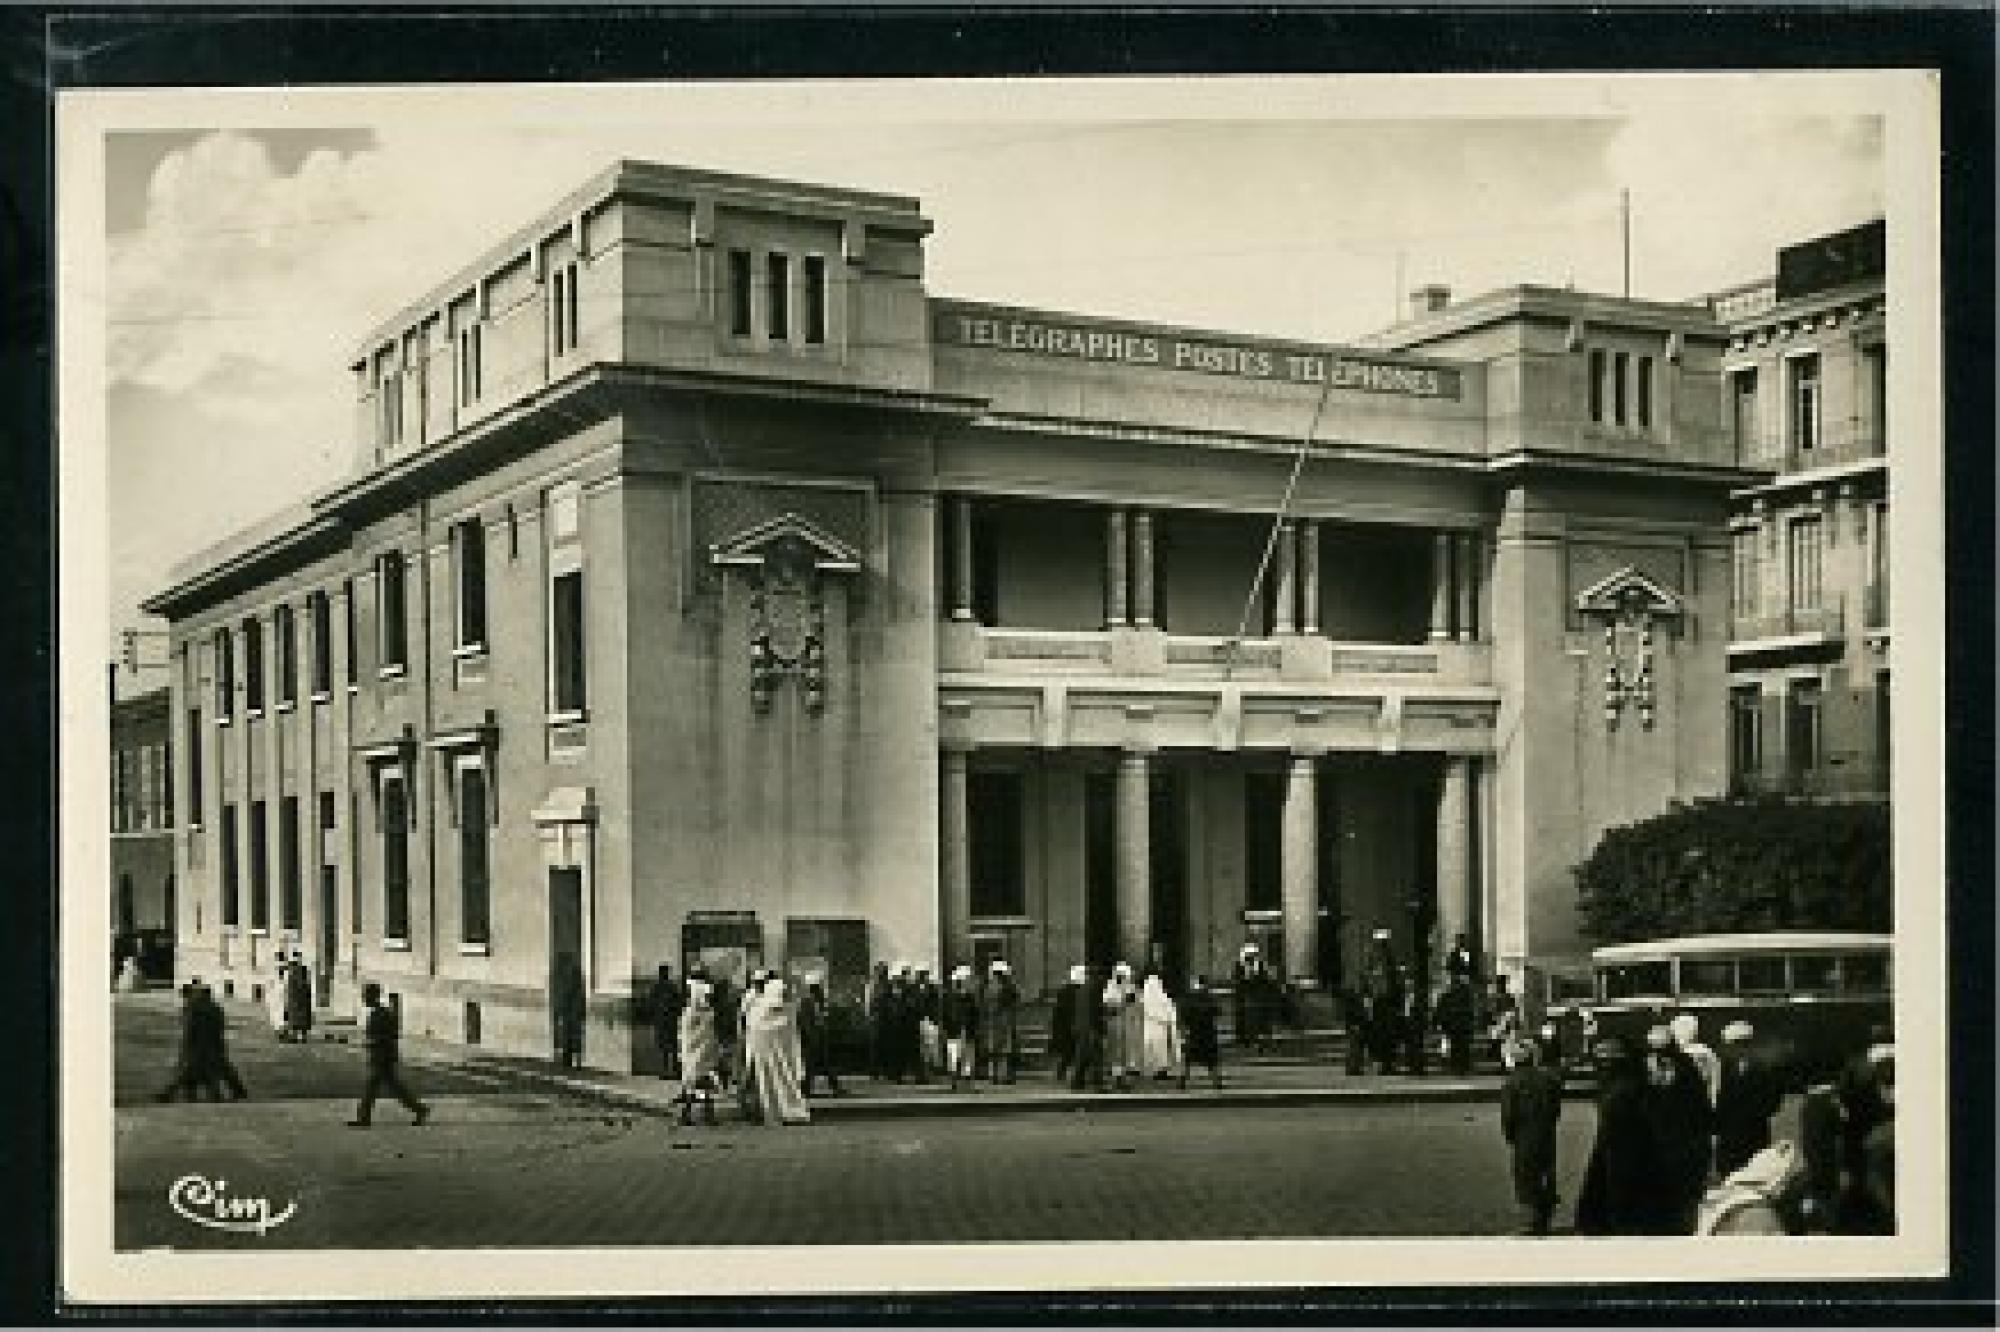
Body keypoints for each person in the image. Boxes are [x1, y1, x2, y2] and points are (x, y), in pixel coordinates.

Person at [1575, 1036, 1658, 1235]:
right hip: (1616, 1146)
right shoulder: (1627, 1082)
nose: (1601, 1066)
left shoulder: (1622, 1087)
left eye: (1605, 1061)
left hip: (1622, 1148)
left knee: (1619, 1193)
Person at [1641, 1024, 1715, 1233]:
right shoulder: (1648, 1070)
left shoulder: (1685, 1069)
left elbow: (1699, 1110)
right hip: (1662, 1146)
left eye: (1663, 1051)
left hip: (1683, 1146)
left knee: (1683, 1202)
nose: (1660, 1056)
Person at [1499, 1034, 1564, 1235]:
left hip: (1524, 1135)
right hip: (1546, 1133)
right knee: (1545, 1173)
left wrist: (1510, 1134)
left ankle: (1530, 1222)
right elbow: (1555, 1110)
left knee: (1526, 1177)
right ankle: (1545, 1216)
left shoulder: (1512, 1083)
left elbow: (1509, 1115)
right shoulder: (1549, 1079)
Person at [349, 983, 428, 1127]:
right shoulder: (380, 1012)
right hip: (382, 1055)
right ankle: (419, 1109)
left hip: (383, 1056)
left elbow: (389, 1035)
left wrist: (372, 1042)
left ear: (373, 996)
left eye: (366, 995)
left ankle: (364, 1118)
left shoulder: (381, 1014)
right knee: (393, 1087)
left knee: (372, 1087)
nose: (363, 998)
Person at [1712, 1021, 1784, 1177]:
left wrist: (1751, 1116)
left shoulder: (1764, 1070)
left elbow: (1772, 1102)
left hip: (1754, 1138)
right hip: (1729, 1142)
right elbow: (1720, 1102)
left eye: (1733, 1046)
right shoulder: (1724, 1069)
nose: (1729, 1050)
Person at [1696, 1141, 1807, 1236]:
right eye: (1795, 1183)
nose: (1798, 1193)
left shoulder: (1722, 1204)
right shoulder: (1758, 1215)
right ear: (1781, 1181)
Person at [741, 976, 811, 1126]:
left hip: (776, 1056)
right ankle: (775, 1111)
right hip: (770, 1056)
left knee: (776, 1084)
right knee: (770, 1085)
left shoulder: (778, 1010)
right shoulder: (763, 1009)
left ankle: (783, 1111)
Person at [675, 977, 722, 1126]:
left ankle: (689, 1114)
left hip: (695, 1053)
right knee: (704, 1085)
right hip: (703, 1053)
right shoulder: (708, 1013)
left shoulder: (690, 1013)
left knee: (693, 1085)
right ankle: (705, 1114)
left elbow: (684, 1033)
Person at [798, 976, 843, 1097]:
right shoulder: (808, 1002)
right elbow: (807, 1022)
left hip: (818, 1035)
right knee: (813, 1065)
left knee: (821, 1064)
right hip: (814, 1037)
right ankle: (807, 1088)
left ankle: (831, 1086)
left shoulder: (816, 1001)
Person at [1178, 974, 1222, 1090]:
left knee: (1188, 1058)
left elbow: (1184, 1014)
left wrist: (1184, 1029)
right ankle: (1216, 1081)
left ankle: (1183, 1080)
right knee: (1211, 1059)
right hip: (1208, 1032)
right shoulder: (1210, 997)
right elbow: (1217, 1012)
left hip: (1194, 1031)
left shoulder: (1190, 998)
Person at [941, 965, 981, 1090]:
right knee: (954, 1056)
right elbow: (946, 1015)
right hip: (955, 1031)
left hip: (966, 1031)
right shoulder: (950, 998)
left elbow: (974, 1016)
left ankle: (965, 1081)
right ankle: (955, 1081)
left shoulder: (969, 999)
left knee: (966, 1057)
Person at [980, 961, 1020, 1083]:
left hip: (992, 1021)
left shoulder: (988, 987)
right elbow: (1015, 998)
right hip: (1004, 1020)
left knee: (994, 1050)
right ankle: (1003, 1075)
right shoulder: (1007, 987)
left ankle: (993, 1074)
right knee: (1004, 1050)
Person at [1102, 963, 1140, 1091]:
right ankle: (1116, 1077)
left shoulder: (1130, 987)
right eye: (1120, 976)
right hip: (1115, 1022)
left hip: (1127, 1023)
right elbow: (1108, 1003)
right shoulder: (1110, 987)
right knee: (1115, 1051)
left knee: (1126, 1051)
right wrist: (1123, 1001)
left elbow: (1136, 1005)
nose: (1122, 979)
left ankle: (1124, 1077)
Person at [1068, 965, 1107, 1092]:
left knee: (1082, 1055)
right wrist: (1100, 1026)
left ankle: (1078, 1081)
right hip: (1090, 1027)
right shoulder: (1094, 989)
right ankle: (1097, 1083)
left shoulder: (1081, 989)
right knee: (1096, 1055)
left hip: (1081, 1026)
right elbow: (1096, 1010)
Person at [1670, 1012, 1721, 1106]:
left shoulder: (1703, 1054)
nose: (1676, 1034)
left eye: (1679, 1030)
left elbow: (1713, 1080)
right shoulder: (1675, 1054)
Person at [1139, 973, 1180, 1080]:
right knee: (1159, 1050)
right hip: (1159, 1027)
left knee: (1158, 1050)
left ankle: (1159, 1070)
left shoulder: (1145, 997)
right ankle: (1159, 1070)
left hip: (1154, 1027)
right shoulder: (1159, 997)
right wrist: (1168, 1019)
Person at [1435, 974, 1477, 1076]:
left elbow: (1440, 1010)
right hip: (1459, 1024)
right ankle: (1461, 1066)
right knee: (1461, 1046)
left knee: (1457, 1046)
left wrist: (1439, 1022)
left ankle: (1458, 1066)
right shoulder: (1466, 996)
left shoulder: (1448, 995)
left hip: (1455, 1025)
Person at [552, 952, 587, 1068]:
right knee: (575, 1035)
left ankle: (571, 1059)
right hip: (573, 1011)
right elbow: (579, 995)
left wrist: (559, 1010)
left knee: (570, 1034)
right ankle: (575, 1060)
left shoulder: (566, 977)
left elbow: (565, 995)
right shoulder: (574, 976)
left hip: (570, 1011)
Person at [1050, 964, 1084, 1085]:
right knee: (1073, 1050)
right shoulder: (1080, 991)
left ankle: (1062, 1072)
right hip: (1073, 1023)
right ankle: (1067, 1073)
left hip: (1065, 1024)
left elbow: (1058, 1010)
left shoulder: (1064, 991)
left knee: (1067, 1051)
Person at [651, 964, 684, 1080]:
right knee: (671, 1047)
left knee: (666, 1047)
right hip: (669, 1020)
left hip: (664, 1020)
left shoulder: (657, 988)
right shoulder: (671, 987)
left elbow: (651, 1005)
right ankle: (674, 1070)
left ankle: (668, 1070)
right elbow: (679, 1003)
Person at [913, 965, 944, 1080]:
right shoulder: (914, 989)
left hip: (930, 1020)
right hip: (918, 1021)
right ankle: (921, 1073)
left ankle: (929, 1072)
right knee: (921, 1048)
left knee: (930, 1047)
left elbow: (936, 1004)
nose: (922, 977)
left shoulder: (932, 989)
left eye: (924, 975)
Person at [864, 961, 893, 1080]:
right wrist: (869, 1016)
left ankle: (883, 1070)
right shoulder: (872, 986)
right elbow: (868, 1003)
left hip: (884, 1018)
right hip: (876, 1018)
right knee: (876, 1046)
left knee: (885, 1045)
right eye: (882, 971)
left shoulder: (887, 985)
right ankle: (874, 1071)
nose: (884, 973)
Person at [1337, 983, 1368, 1076]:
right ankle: (1353, 1067)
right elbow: (1350, 1014)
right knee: (1354, 1047)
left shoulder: (1359, 1000)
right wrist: (1352, 1024)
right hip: (1354, 1024)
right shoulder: (1352, 1001)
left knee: (1358, 1047)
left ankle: (1356, 1067)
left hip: (1359, 1024)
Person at [284, 951, 314, 1045]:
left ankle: (299, 1036)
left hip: (299, 997)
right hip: (297, 998)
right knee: (296, 1018)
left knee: (299, 1018)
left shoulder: (299, 971)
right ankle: (297, 1036)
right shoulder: (295, 970)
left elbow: (304, 984)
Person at [265, 957, 291, 1041]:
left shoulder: (285, 979)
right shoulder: (274, 979)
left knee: (283, 1017)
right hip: (277, 1000)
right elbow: (270, 989)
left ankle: (282, 1032)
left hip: (281, 999)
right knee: (277, 1017)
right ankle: (279, 1032)